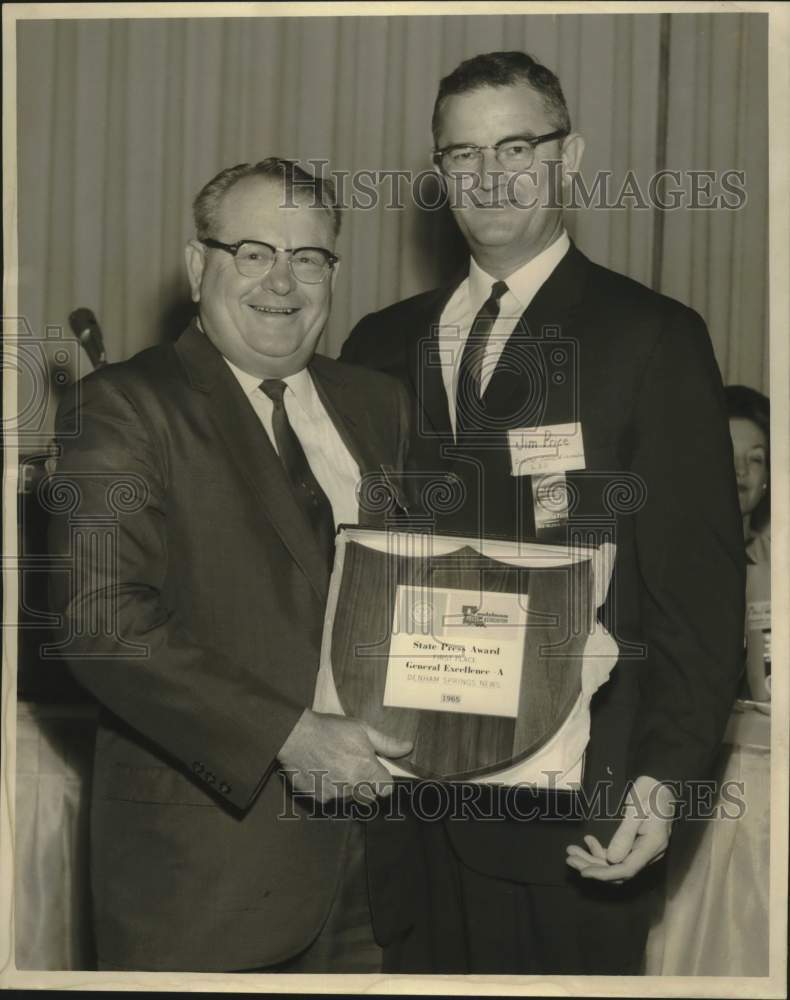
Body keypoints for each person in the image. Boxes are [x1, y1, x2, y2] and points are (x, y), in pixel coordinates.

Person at [341, 51, 746, 974]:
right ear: (437, 173)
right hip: (405, 808)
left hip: (573, 817)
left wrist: (665, 783)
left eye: (516, 146)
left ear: (571, 157)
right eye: (463, 154)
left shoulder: (652, 338)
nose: (489, 176)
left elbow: (698, 597)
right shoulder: (380, 341)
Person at [48, 158, 413, 972]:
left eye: (309, 258)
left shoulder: (381, 406)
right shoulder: (120, 406)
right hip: (210, 883)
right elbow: (103, 624)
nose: (282, 282)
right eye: (253, 252)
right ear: (196, 266)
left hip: (382, 879)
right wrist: (289, 737)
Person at [725, 385, 771, 702]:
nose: (740, 470)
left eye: (755, 459)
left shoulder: (773, 564)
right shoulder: (669, 561)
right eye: (726, 454)